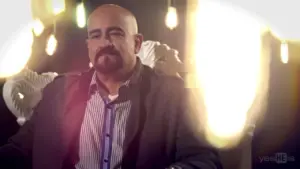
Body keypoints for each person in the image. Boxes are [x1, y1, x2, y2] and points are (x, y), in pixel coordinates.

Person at [0, 4, 223, 169]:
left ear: (136, 43)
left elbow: (204, 159)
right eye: (95, 36)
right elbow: (20, 148)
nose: (104, 43)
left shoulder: (174, 95)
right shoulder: (58, 92)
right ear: (88, 46)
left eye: (115, 33)